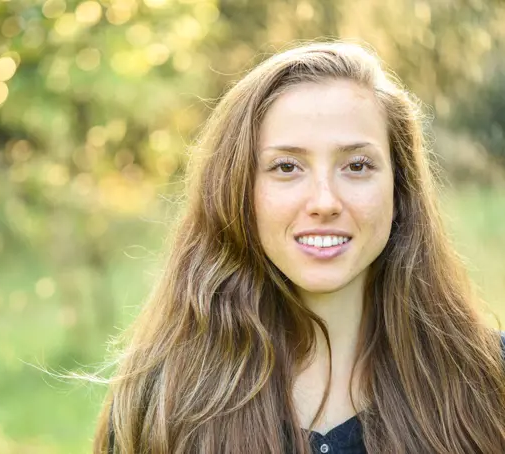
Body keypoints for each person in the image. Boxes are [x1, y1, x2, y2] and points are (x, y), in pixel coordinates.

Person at [92, 41, 505, 453]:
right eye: (287, 167)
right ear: (239, 191)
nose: (324, 201)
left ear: (399, 188)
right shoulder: (159, 404)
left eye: (357, 166)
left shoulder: (490, 379)